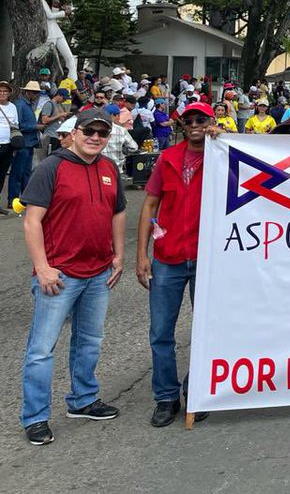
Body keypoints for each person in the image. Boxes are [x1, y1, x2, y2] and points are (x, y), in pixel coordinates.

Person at [19, 108, 126, 445]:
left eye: (102, 133)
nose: (95, 138)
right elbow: (31, 220)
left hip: (98, 272)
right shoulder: (52, 167)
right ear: (74, 132)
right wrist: (42, 267)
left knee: (89, 341)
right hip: (60, 274)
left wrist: (119, 255)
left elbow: (117, 213)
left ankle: (83, 400)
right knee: (41, 350)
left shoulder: (109, 168)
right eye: (89, 131)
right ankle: (35, 418)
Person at [136, 102, 219, 427]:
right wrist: (141, 255)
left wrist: (225, 138)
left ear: (211, 121)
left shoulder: (222, 153)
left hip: (207, 258)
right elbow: (150, 205)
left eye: (202, 119)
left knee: (207, 330)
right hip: (168, 257)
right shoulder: (167, 159)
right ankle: (166, 397)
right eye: (190, 120)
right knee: (160, 333)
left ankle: (196, 390)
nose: (196, 124)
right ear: (182, 125)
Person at [9, 81, 42, 206]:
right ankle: (12, 199)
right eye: (34, 92)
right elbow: (18, 125)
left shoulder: (28, 105)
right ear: (27, 92)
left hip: (30, 143)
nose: (36, 95)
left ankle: (25, 198)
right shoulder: (20, 105)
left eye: (37, 93)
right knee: (18, 172)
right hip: (23, 143)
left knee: (26, 172)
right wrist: (35, 126)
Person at [0, 80, 20, 212]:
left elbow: (15, 124)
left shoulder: (13, 107)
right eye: (0, 91)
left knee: (1, 175)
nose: (2, 93)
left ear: (9, 93)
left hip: (7, 145)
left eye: (5, 91)